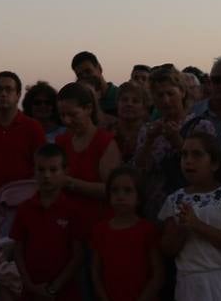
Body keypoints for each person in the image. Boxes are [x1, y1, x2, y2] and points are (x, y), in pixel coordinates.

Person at [159, 133, 221, 300]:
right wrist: (181, 229)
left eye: (197, 154)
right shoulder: (174, 200)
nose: (188, 160)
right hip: (192, 285)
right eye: (184, 155)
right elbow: (167, 250)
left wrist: (197, 225)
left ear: (215, 163)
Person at [11, 144, 85, 301]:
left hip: (64, 292)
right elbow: (18, 249)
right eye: (41, 169)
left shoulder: (73, 210)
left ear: (65, 171)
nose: (46, 175)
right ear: (34, 171)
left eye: (53, 170)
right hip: (31, 291)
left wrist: (54, 288)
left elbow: (78, 255)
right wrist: (29, 285)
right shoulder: (25, 209)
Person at [89, 166, 163, 301]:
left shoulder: (147, 230)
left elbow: (157, 274)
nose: (120, 196)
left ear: (139, 198)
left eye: (127, 190)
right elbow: (95, 271)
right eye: (115, 190)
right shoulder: (100, 230)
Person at [55, 82, 120, 228]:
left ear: (89, 108)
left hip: (98, 224)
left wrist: (71, 183)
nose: (66, 121)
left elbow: (112, 190)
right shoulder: (62, 141)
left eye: (72, 114)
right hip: (67, 223)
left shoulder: (105, 143)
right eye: (62, 115)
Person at [0, 72, 47, 195]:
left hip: (25, 201)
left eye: (9, 89)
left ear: (18, 95)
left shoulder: (33, 127)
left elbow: (43, 166)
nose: (3, 94)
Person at [136, 66, 192, 217]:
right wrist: (149, 140)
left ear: (183, 92)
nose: (166, 100)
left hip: (189, 205)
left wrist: (177, 140)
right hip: (155, 205)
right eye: (159, 95)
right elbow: (140, 170)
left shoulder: (200, 126)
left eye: (170, 94)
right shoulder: (147, 130)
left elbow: (203, 167)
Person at [111, 80, 150, 163]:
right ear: (117, 104)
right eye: (124, 100)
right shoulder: (107, 132)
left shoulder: (151, 133)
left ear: (144, 108)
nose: (129, 104)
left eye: (135, 101)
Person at [72, 52, 119, 117]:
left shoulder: (120, 96)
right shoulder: (81, 103)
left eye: (88, 71)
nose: (85, 77)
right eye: (79, 75)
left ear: (99, 68)